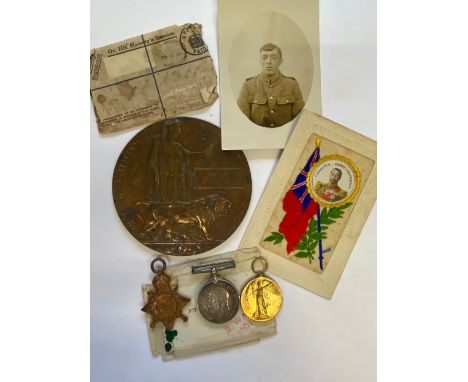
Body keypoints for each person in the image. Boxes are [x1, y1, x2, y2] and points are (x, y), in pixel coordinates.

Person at [237, 43, 305, 128]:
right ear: (260, 61)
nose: (269, 61)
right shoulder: (248, 86)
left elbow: (299, 121)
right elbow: (242, 122)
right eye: (264, 57)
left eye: (274, 57)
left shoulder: (292, 85)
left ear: (280, 61)